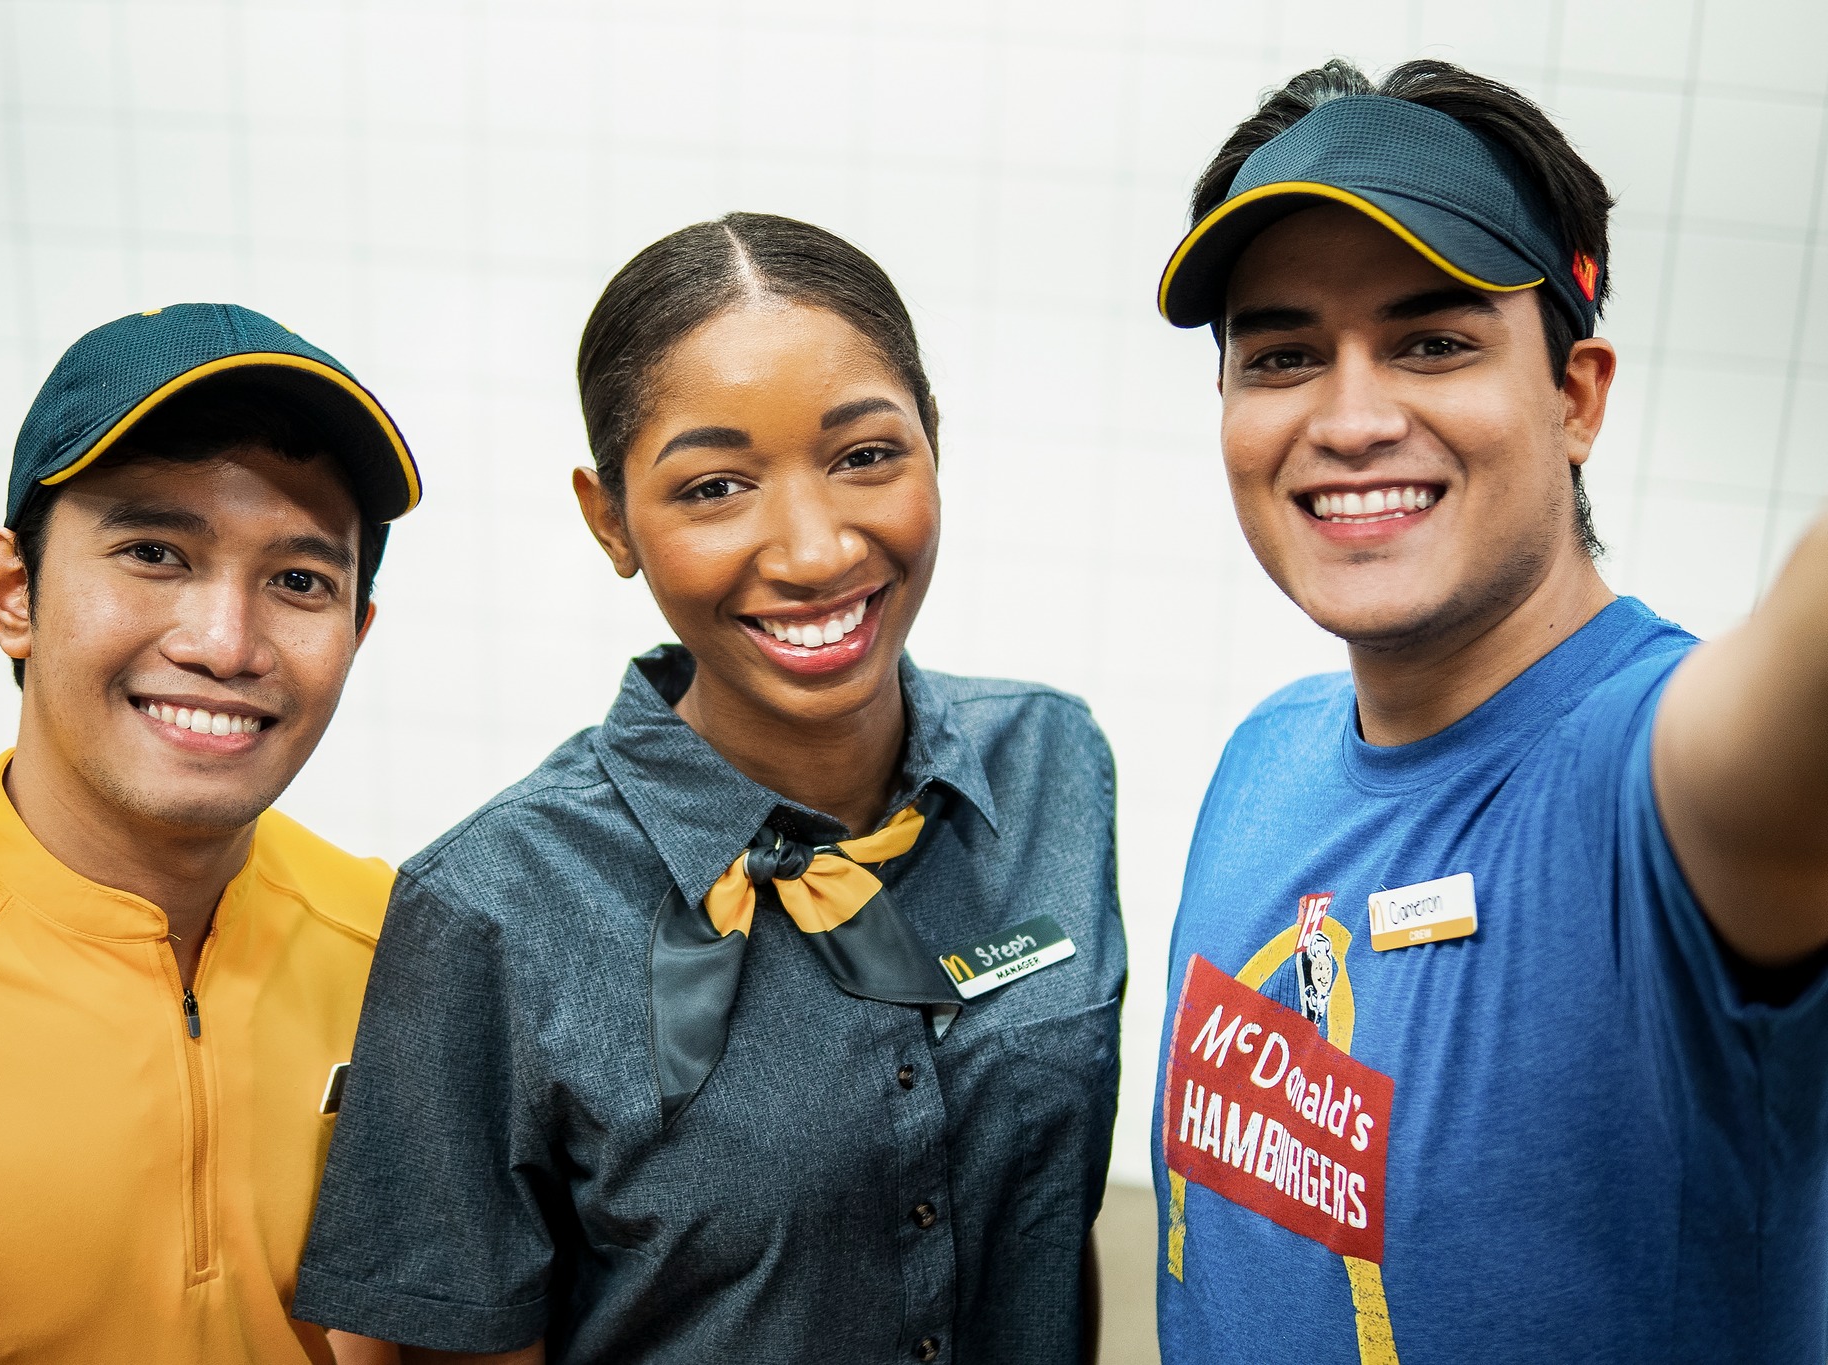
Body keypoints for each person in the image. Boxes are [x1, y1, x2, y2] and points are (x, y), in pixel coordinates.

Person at [293, 212, 1125, 1365]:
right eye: (715, 487)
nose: (814, 551)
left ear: (933, 442)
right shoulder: (490, 911)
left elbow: (1044, 1213)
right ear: (610, 521)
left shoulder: (1049, 765)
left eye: (864, 457)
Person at [1148, 58, 1828, 1363]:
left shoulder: (1652, 789)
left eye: (1432, 342)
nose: (1350, 419)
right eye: (1282, 355)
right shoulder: (1265, 757)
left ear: (1575, 396)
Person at [0, 303, 420, 1364]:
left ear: (356, 633)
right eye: (154, 552)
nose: (226, 644)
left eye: (299, 581)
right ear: (13, 592)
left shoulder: (410, 956)